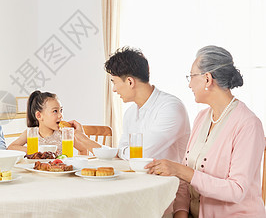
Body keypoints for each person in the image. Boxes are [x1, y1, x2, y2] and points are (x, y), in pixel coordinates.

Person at [146, 46, 266, 217]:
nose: (189, 84)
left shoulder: (248, 125)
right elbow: (185, 181)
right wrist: (181, 212)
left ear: (207, 79)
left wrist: (179, 170)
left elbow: (236, 190)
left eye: (191, 76)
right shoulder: (202, 118)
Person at [73, 46, 190, 162]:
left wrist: (120, 152)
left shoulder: (170, 108)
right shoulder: (130, 113)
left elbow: (140, 155)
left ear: (130, 82)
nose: (114, 89)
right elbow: (122, 155)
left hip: (168, 180)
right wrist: (85, 140)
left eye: (115, 82)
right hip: (139, 178)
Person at [8, 90, 87, 155]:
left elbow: (83, 149)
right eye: (55, 111)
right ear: (39, 115)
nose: (60, 115)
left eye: (61, 110)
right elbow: (11, 147)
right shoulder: (32, 133)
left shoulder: (64, 133)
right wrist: (37, 151)